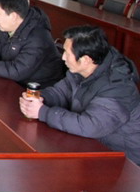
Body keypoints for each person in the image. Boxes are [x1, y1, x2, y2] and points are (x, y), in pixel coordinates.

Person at [19, 25, 140, 165]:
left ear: (85, 60)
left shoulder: (117, 87)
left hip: (125, 161)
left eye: (67, 53)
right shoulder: (82, 70)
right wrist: (39, 99)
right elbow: (60, 92)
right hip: (92, 145)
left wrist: (42, 112)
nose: (63, 57)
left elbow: (90, 126)